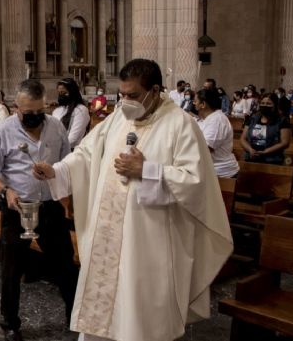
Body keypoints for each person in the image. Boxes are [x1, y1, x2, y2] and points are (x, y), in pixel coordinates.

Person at [32, 59, 232, 341]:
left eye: (133, 95)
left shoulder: (181, 125)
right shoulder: (117, 118)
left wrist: (147, 170)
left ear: (155, 90)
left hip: (149, 242)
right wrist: (58, 170)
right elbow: (86, 154)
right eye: (121, 95)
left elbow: (195, 181)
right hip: (107, 236)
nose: (125, 102)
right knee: (105, 309)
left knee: (139, 315)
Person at [0, 79, 78, 341]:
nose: (35, 118)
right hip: (17, 208)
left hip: (50, 207)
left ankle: (75, 316)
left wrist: (65, 195)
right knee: (12, 269)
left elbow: (68, 164)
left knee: (66, 265)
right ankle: (10, 323)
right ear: (15, 108)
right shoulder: (3, 131)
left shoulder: (56, 127)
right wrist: (6, 191)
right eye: (28, 114)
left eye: (39, 112)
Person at [193, 89, 240, 178]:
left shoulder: (217, 120)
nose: (193, 104)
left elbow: (205, 149)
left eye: (195, 101)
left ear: (203, 104)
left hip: (221, 172)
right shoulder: (205, 118)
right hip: (209, 170)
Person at [241, 93, 292, 164]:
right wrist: (250, 149)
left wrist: (266, 151)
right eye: (262, 103)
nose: (265, 105)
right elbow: (243, 138)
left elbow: (285, 143)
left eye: (268, 103)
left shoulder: (282, 120)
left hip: (272, 159)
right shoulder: (252, 118)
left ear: (275, 105)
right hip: (251, 157)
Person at [53, 78, 89, 150]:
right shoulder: (57, 110)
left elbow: (74, 138)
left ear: (72, 92)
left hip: (73, 151)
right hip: (57, 149)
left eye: (64, 93)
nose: (61, 96)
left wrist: (56, 148)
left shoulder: (80, 110)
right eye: (59, 93)